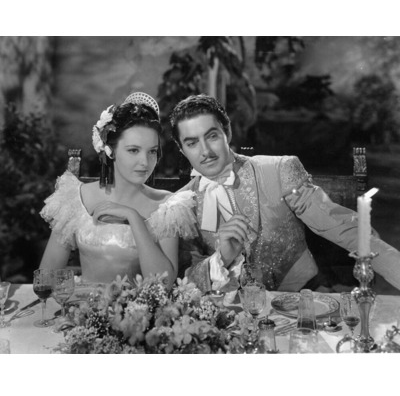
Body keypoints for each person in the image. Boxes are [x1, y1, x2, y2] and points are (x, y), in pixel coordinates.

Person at [169, 94, 400, 302]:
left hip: (303, 302)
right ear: (181, 149)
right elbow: (184, 282)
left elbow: (344, 228)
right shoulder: (181, 206)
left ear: (227, 132)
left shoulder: (278, 170)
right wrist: (223, 257)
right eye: (192, 143)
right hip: (228, 314)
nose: (205, 151)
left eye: (211, 136)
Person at [39, 92, 196, 291]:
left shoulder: (167, 207)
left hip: (139, 309)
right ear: (110, 150)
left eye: (152, 151)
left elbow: (163, 285)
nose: (145, 162)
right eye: (133, 150)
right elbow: (46, 277)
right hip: (84, 305)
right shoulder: (75, 198)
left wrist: (133, 218)